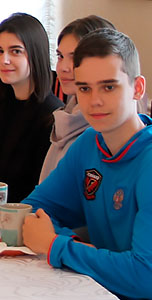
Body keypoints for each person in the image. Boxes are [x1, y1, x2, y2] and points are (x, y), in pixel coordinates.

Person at [22, 29, 152, 300]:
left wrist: (57, 245)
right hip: (96, 294)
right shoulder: (90, 142)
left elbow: (146, 277)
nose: (94, 101)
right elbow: (33, 211)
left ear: (137, 88)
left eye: (109, 86)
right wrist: (69, 243)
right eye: (84, 88)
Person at [0, 13, 63, 202]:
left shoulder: (52, 118)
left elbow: (38, 191)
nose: (4, 60)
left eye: (15, 51)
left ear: (35, 54)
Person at [38, 15, 116, 182]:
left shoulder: (104, 129)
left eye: (74, 57)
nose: (63, 68)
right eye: (60, 56)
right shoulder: (66, 116)